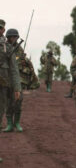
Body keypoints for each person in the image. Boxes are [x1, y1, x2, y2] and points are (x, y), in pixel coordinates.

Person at [3, 29, 39, 132]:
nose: (14, 39)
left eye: (15, 37)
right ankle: (9, 124)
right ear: (8, 38)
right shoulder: (4, 48)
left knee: (18, 102)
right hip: (7, 80)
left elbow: (28, 65)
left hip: (19, 81)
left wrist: (33, 80)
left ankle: (17, 123)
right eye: (12, 37)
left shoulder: (20, 50)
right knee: (8, 103)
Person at [0, 20, 21, 162]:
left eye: (0, 28)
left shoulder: (7, 47)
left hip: (2, 85)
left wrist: (17, 87)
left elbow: (14, 69)